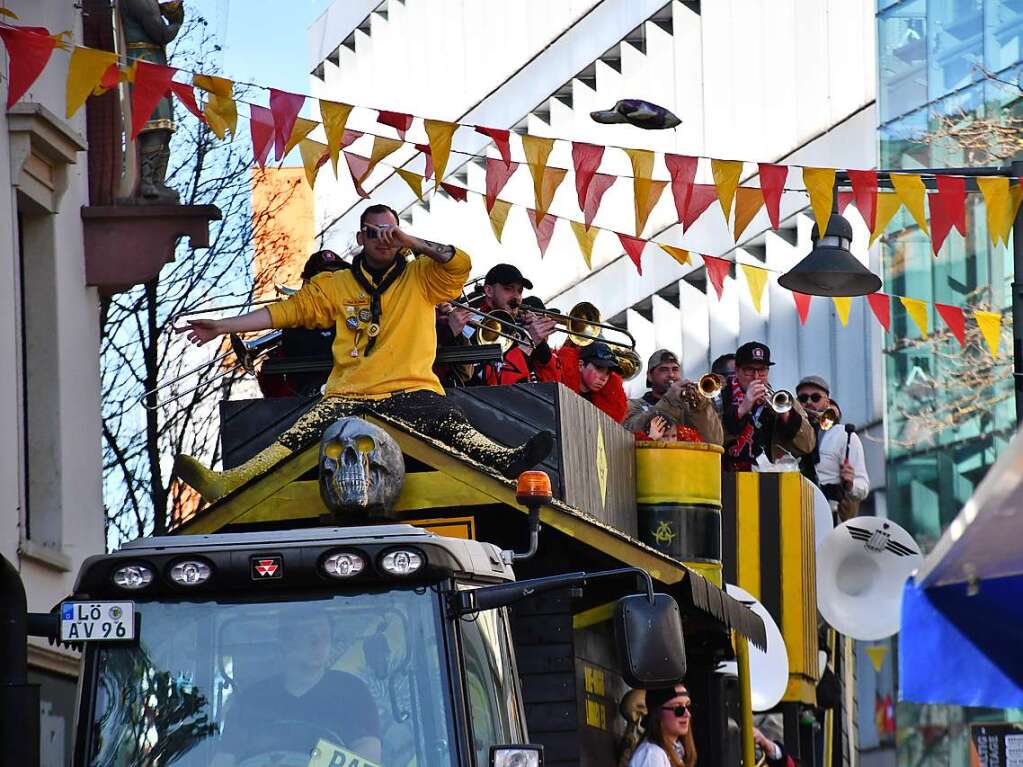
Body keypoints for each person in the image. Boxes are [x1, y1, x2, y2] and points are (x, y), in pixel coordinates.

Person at [174, 205, 553, 502]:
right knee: (296, 435)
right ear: (361, 236)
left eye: (390, 232)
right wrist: (224, 326)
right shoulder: (334, 284)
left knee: (450, 419)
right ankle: (231, 482)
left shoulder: (421, 276)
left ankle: (505, 460)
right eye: (374, 233)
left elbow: (459, 263)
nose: (383, 240)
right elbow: (285, 312)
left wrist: (412, 240)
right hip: (348, 395)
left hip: (410, 391)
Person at [213, 612, 380, 766]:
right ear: (285, 641)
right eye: (310, 637)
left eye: (325, 637)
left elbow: (366, 753)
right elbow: (225, 758)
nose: (319, 644)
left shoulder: (352, 691)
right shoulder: (251, 700)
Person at [437, 263, 560, 385]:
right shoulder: (467, 324)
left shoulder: (521, 328)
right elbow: (494, 386)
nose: (516, 297)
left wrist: (540, 346)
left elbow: (554, 385)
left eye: (520, 291)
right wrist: (527, 345)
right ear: (489, 291)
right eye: (508, 289)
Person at [257, 249, 349, 398]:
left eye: (338, 277)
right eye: (325, 278)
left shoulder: (358, 316)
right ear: (307, 284)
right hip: (302, 406)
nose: (332, 285)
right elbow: (274, 390)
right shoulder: (293, 325)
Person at [721, 342, 814, 471]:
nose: (756, 376)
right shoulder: (721, 397)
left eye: (762, 370)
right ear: (737, 370)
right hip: (727, 477)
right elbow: (713, 439)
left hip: (769, 479)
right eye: (749, 370)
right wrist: (742, 409)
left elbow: (807, 445)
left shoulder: (782, 399)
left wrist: (786, 415)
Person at [795, 376, 869, 521]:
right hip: (797, 512)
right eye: (803, 398)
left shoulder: (844, 435)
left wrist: (850, 484)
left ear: (827, 402)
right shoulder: (791, 433)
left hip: (831, 515)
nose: (809, 402)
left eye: (815, 397)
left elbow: (863, 487)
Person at [622, 350, 723, 444]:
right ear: (649, 376)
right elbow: (629, 432)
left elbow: (715, 441)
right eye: (663, 370)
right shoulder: (633, 405)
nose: (671, 374)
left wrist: (701, 407)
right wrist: (669, 400)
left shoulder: (689, 407)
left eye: (675, 369)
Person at [628, 684, 697, 767]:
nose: (687, 714)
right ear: (658, 714)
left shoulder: (677, 751)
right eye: (678, 709)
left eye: (688, 707)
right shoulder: (653, 755)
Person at [559, 341, 628, 422]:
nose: (604, 378)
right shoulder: (559, 383)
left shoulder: (604, 407)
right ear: (580, 365)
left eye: (608, 373)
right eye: (599, 368)